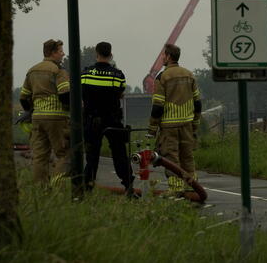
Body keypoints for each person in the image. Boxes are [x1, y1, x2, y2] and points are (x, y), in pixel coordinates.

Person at [81, 42, 135, 196]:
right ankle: (128, 187)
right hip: (112, 120)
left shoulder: (85, 74)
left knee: (92, 157)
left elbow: (82, 95)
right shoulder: (118, 75)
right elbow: (120, 93)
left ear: (96, 54)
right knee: (120, 155)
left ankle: (87, 189)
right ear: (110, 55)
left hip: (92, 120)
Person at [147, 44, 202, 194]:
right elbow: (198, 103)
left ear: (169, 56)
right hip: (187, 125)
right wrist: (195, 124)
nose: (162, 58)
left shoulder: (162, 77)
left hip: (169, 127)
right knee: (188, 158)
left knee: (171, 160)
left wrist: (152, 130)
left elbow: (158, 106)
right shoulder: (189, 75)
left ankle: (177, 191)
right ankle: (192, 188)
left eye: (164, 55)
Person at [19, 39, 70, 185]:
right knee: (63, 153)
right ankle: (58, 186)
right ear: (53, 53)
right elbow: (65, 95)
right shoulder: (59, 71)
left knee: (40, 156)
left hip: (37, 118)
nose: (63, 54)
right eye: (61, 51)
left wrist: (31, 111)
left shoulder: (32, 71)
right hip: (57, 118)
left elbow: (24, 97)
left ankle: (41, 190)